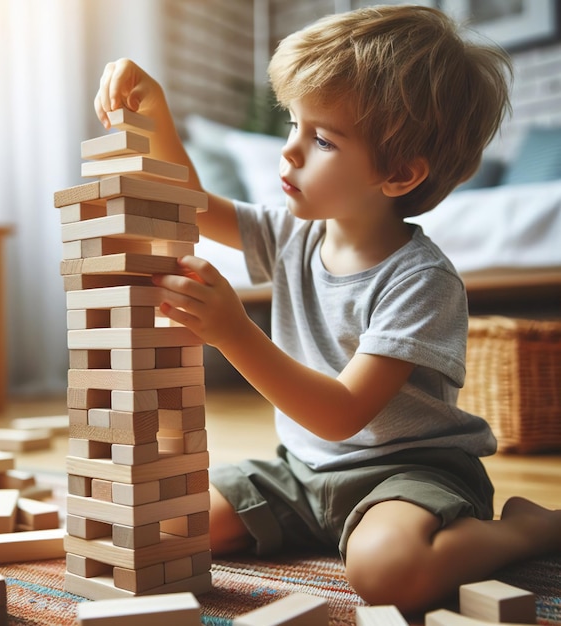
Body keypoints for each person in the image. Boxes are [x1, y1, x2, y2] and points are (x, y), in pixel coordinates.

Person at [95, 5, 561, 615]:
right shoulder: (292, 236)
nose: (288, 154)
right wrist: (156, 115)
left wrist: (234, 332)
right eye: (294, 125)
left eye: (320, 139)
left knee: (387, 575)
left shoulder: (423, 281)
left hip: (410, 474)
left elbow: (342, 415)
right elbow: (185, 201)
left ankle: (528, 528)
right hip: (302, 471)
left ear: (398, 174)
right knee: (166, 531)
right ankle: (320, 527)